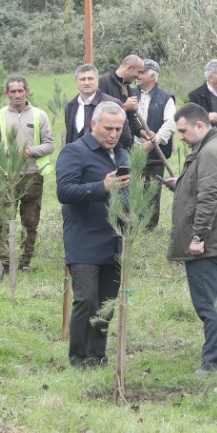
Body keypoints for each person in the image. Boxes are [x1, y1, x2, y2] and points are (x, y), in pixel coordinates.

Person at [165, 102, 217, 374]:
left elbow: (209, 198)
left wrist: (198, 237)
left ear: (199, 125)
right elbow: (207, 186)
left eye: (183, 131)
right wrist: (183, 183)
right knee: (216, 300)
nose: (181, 137)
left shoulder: (210, 152)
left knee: (210, 305)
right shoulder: (213, 146)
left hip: (208, 243)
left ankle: (212, 364)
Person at [56, 103, 131, 368]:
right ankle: (79, 357)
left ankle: (98, 356)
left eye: (118, 129)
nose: (113, 134)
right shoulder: (74, 152)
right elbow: (64, 191)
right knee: (86, 299)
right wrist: (102, 187)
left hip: (114, 239)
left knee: (106, 303)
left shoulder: (122, 154)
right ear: (93, 125)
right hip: (84, 238)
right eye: (108, 128)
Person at [0, 75, 55, 271]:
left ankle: (24, 262)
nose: (17, 95)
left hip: (33, 176)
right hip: (7, 177)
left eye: (20, 91)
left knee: (30, 221)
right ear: (6, 93)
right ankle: (5, 262)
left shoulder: (40, 115)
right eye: (13, 91)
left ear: (27, 91)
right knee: (4, 221)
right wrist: (8, 152)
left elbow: (50, 145)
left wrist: (29, 151)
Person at [134, 60, 177, 232]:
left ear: (152, 76)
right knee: (130, 186)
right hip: (132, 150)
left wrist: (154, 141)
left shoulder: (166, 98)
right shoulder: (129, 95)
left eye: (141, 72)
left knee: (151, 189)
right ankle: (130, 222)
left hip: (155, 153)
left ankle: (148, 227)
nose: (137, 75)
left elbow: (171, 123)